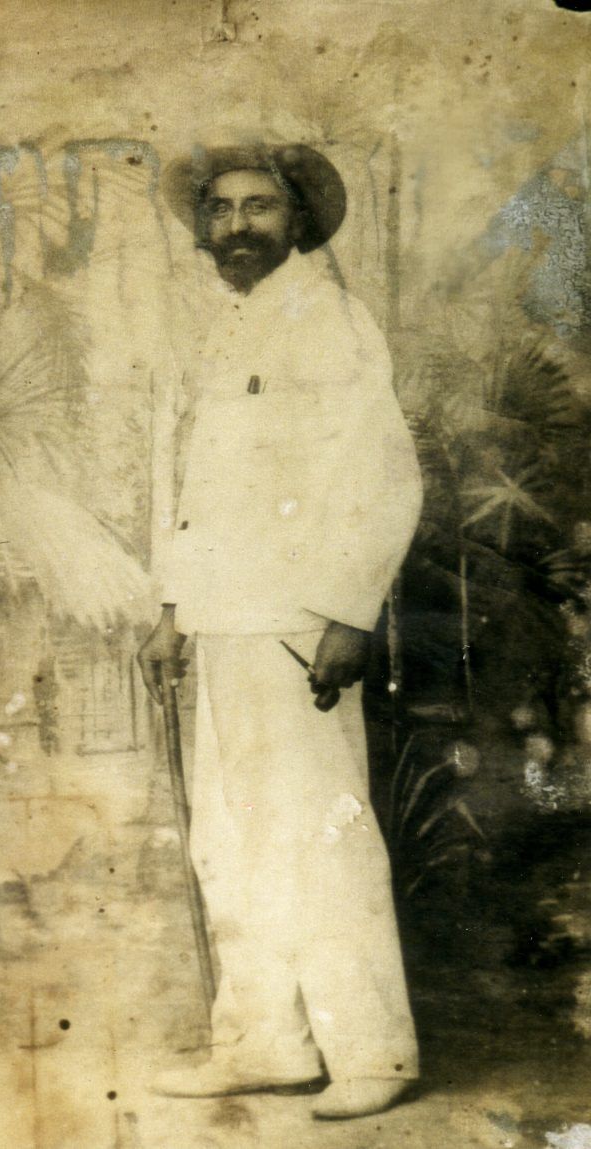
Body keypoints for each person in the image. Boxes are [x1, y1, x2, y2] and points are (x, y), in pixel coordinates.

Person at [138, 143, 423, 1120]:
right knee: (231, 839)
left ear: (296, 220)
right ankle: (266, 1043)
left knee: (316, 834)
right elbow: (201, 492)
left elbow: (381, 473)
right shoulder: (226, 330)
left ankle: (373, 1053)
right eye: (221, 209)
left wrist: (349, 611)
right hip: (224, 623)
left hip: (298, 625)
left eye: (259, 206)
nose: (238, 225)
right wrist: (173, 612)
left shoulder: (330, 322)